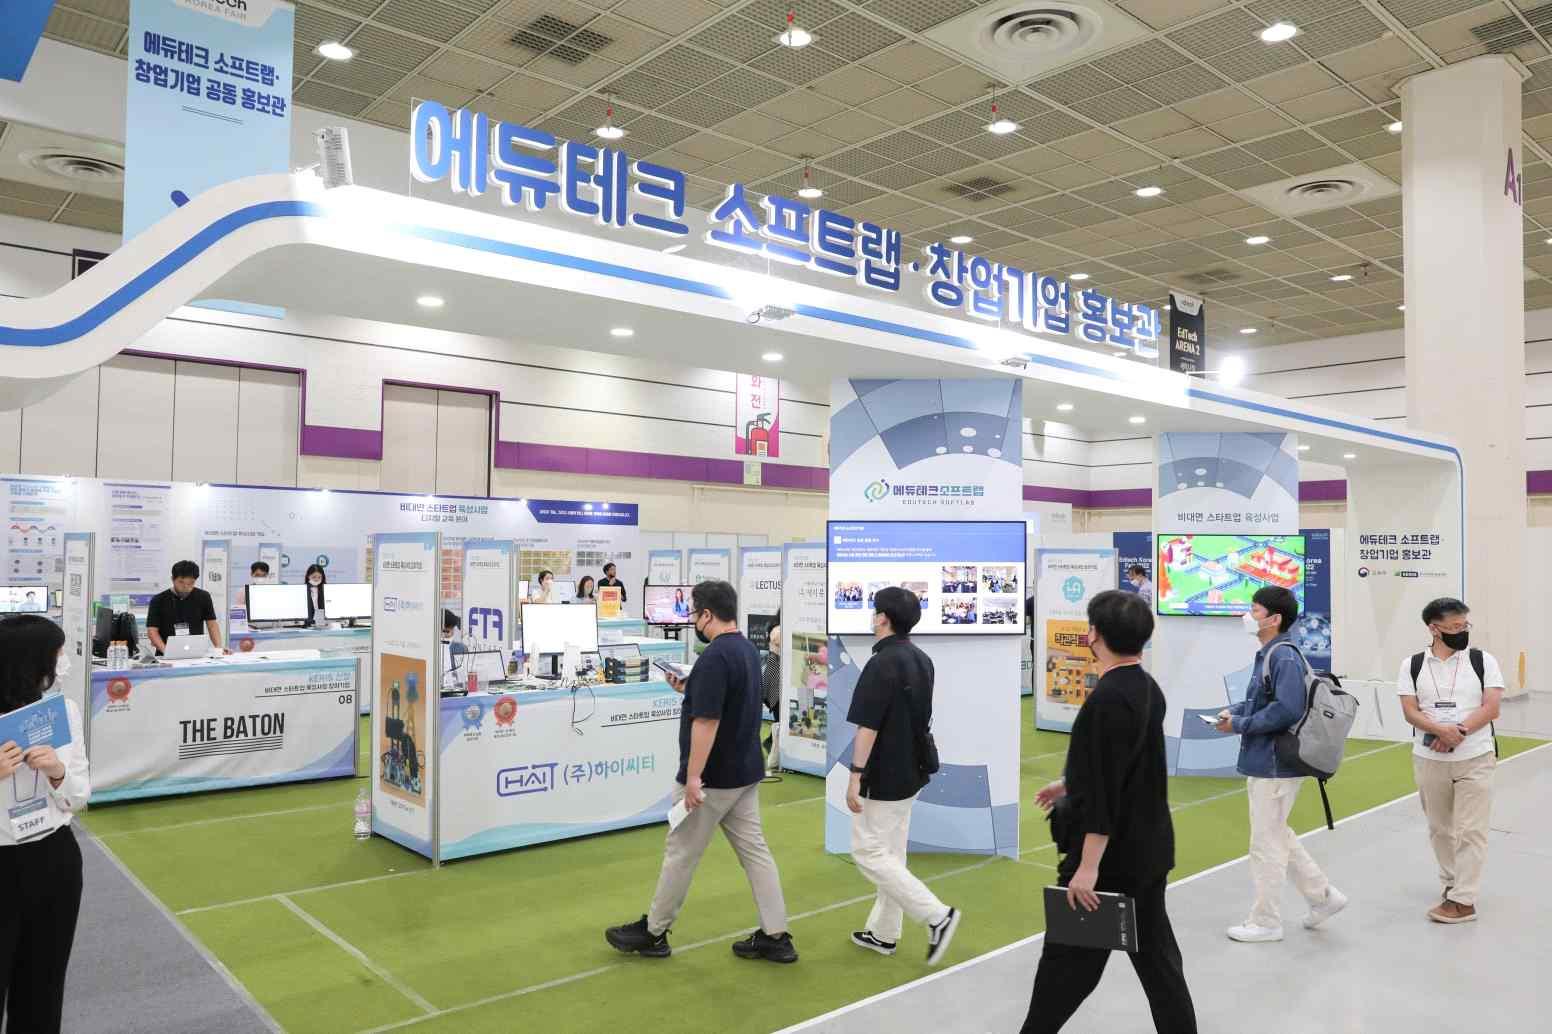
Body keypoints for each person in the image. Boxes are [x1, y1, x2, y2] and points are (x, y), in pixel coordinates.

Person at [1022, 591, 1195, 1034]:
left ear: (1094, 635)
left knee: (1065, 969)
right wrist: (1070, 782)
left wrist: (1087, 867)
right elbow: (1124, 766)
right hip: (1149, 851)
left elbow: (1104, 795)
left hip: (1111, 862)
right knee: (1159, 964)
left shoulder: (1107, 700)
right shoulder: (1146, 688)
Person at [606, 581, 796, 964]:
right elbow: (728, 703)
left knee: (680, 854)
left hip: (712, 781)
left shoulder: (714, 657)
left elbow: (706, 722)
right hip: (745, 773)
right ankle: (776, 934)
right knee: (756, 854)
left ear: (707, 614)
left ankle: (654, 932)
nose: (693, 620)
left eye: (694, 613)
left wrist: (693, 778)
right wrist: (689, 691)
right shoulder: (747, 650)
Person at [1216, 587, 1346, 943]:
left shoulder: (1282, 656)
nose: (1248, 615)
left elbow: (1287, 709)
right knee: (1277, 834)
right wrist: (1236, 713)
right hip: (1266, 760)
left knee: (1266, 844)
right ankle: (1323, 897)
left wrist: (1240, 724)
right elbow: (1265, 701)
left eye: (1255, 610)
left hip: (1275, 762)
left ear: (1273, 619)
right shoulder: (1272, 653)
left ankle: (1266, 921)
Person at [846, 586, 962, 966]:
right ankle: (884, 933)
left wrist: (855, 775)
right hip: (912, 770)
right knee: (892, 855)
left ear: (883, 618)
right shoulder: (921, 659)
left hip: (885, 774)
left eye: (874, 611)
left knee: (867, 852)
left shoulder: (881, 663)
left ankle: (937, 915)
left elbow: (868, 726)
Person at [0, 614, 90, 1033]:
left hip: (53, 859)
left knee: (43, 988)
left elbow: (79, 796)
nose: (62, 663)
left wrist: (57, 772)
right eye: (57, 654)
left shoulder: (63, 713)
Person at [1397, 597, 1503, 924]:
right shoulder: (1412, 665)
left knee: (1472, 830)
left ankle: (1463, 900)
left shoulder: (1483, 661)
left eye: (1465, 625)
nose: (1462, 631)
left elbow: (1491, 707)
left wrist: (1457, 732)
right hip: (1429, 759)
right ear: (1434, 629)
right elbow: (1410, 711)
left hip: (1476, 756)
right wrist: (1439, 731)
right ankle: (1451, 883)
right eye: (1454, 627)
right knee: (1440, 829)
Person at [145, 560, 222, 655]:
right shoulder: (159, 600)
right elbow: (152, 631)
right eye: (181, 582)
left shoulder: (203, 597)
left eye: (191, 583)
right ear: (172, 579)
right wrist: (167, 652)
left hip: (197, 653)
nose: (186, 587)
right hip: (165, 654)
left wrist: (219, 649)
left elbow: (212, 625)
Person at [761, 614, 782, 774]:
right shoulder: (778, 630)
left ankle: (770, 742)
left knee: (779, 716)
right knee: (778, 713)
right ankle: (772, 745)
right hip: (775, 671)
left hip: (777, 671)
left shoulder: (778, 628)